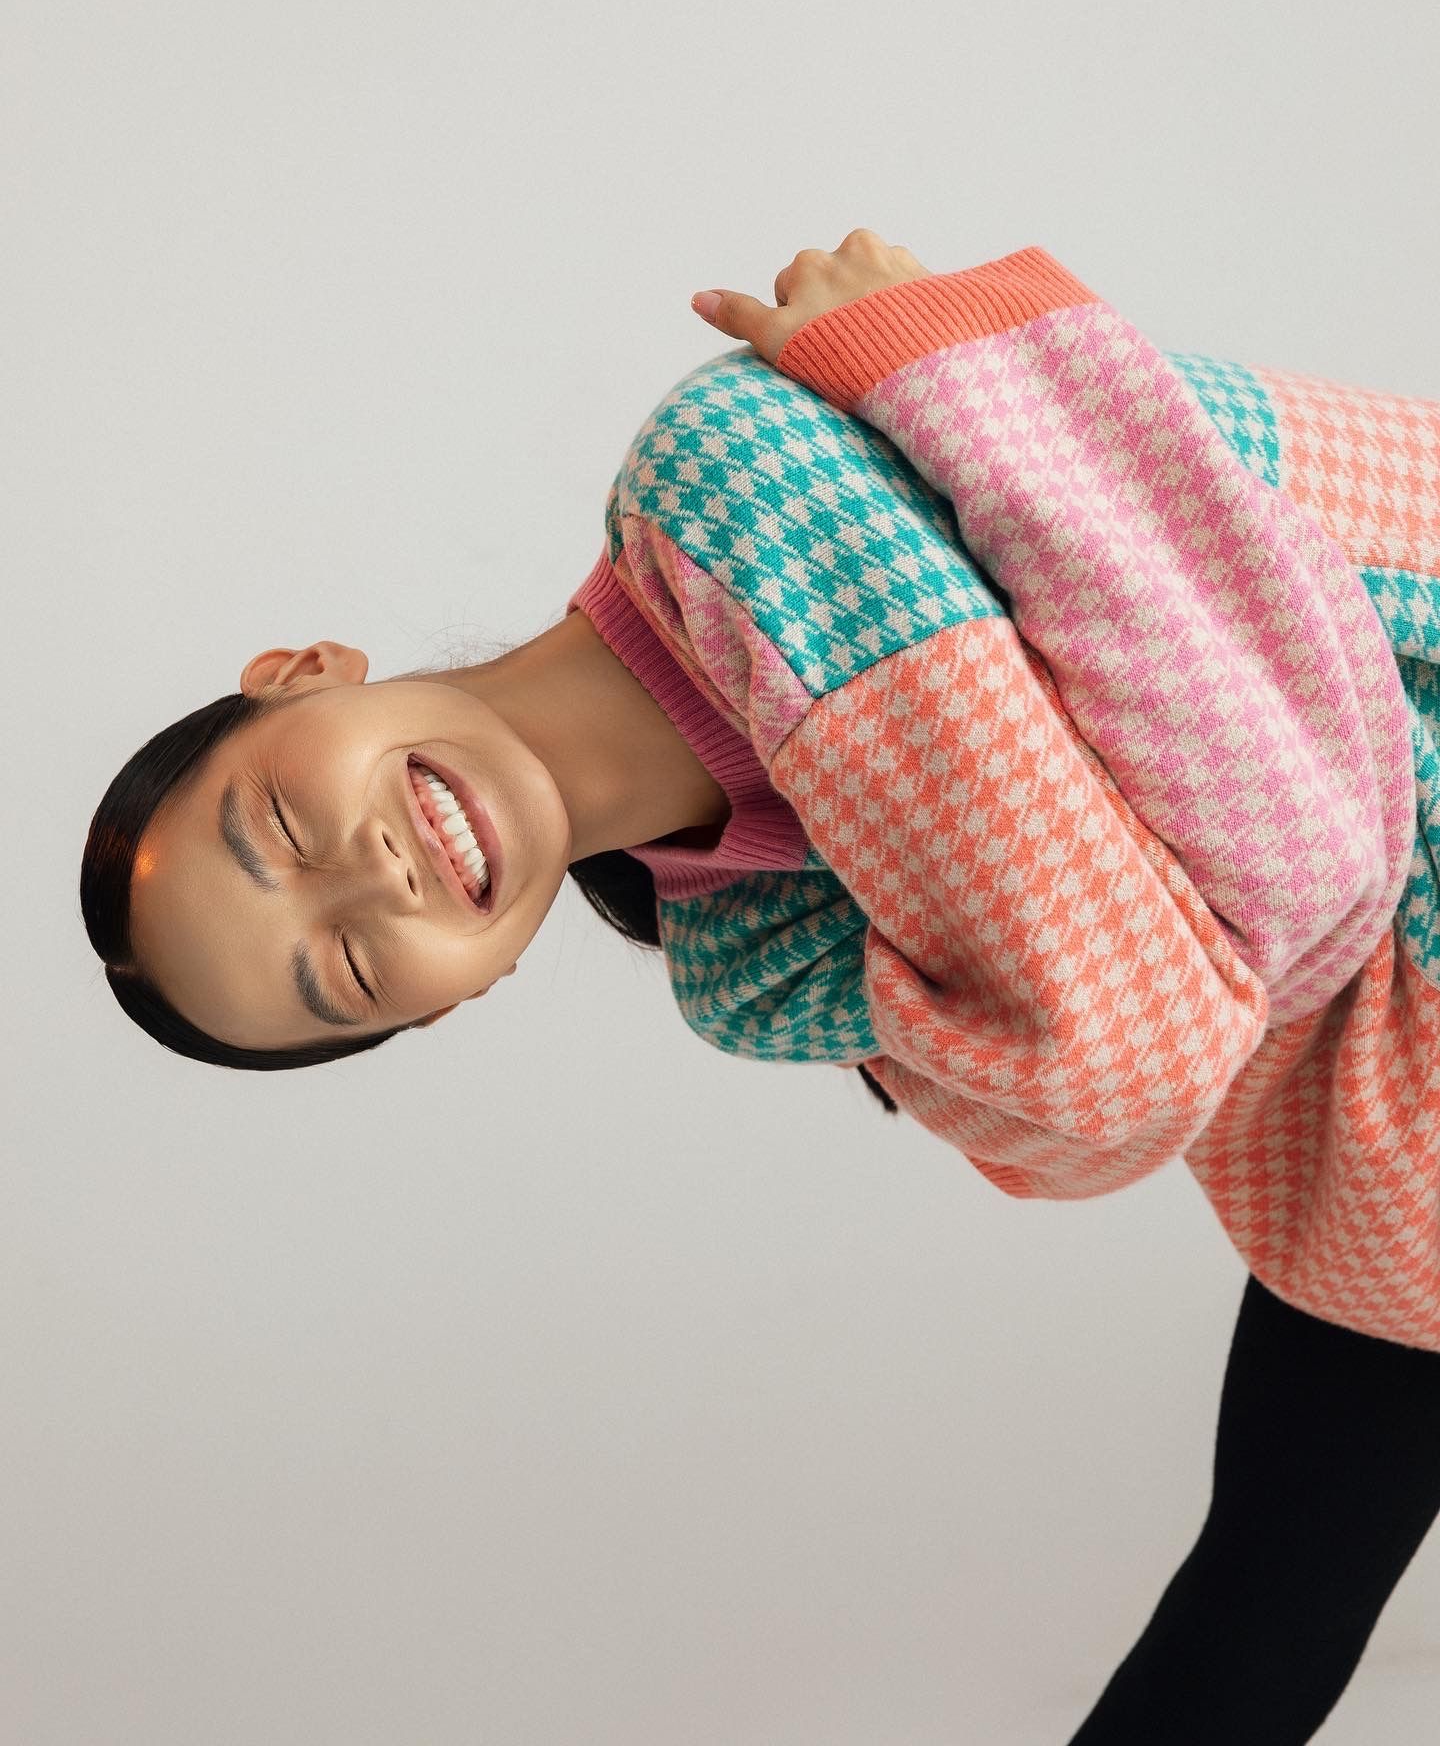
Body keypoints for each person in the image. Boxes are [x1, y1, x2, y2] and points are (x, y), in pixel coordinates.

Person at [81, 230, 1440, 1737]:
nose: (374, 879)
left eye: (279, 823)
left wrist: (955, 380)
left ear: (302, 671)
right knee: (1266, 1601)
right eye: (348, 970)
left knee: (1266, 1593)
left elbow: (1231, 952)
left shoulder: (734, 485)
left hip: (1397, 1009)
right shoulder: (751, 960)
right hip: (1379, 1170)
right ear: (454, 996)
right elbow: (1114, 1105)